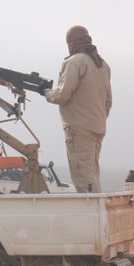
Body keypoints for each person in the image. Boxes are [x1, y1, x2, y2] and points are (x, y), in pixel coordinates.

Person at [44, 25, 112, 193]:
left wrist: (46, 93)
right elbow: (108, 101)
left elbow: (62, 95)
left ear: (71, 43)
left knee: (84, 177)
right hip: (97, 126)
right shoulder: (103, 65)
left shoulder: (74, 62)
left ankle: (91, 214)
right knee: (92, 173)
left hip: (78, 128)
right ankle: (97, 212)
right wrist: (96, 117)